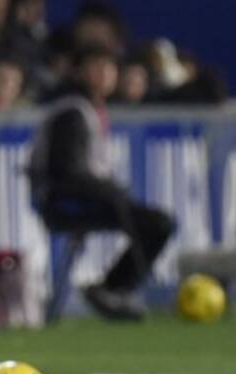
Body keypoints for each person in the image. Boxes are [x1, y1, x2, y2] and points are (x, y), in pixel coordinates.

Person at [27, 44, 175, 321]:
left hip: (82, 198)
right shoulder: (72, 111)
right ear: (79, 71)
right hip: (67, 203)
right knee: (157, 223)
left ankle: (113, 288)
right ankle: (113, 288)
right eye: (96, 67)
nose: (104, 75)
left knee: (153, 221)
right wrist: (110, 192)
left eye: (109, 68)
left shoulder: (90, 108)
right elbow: (66, 173)